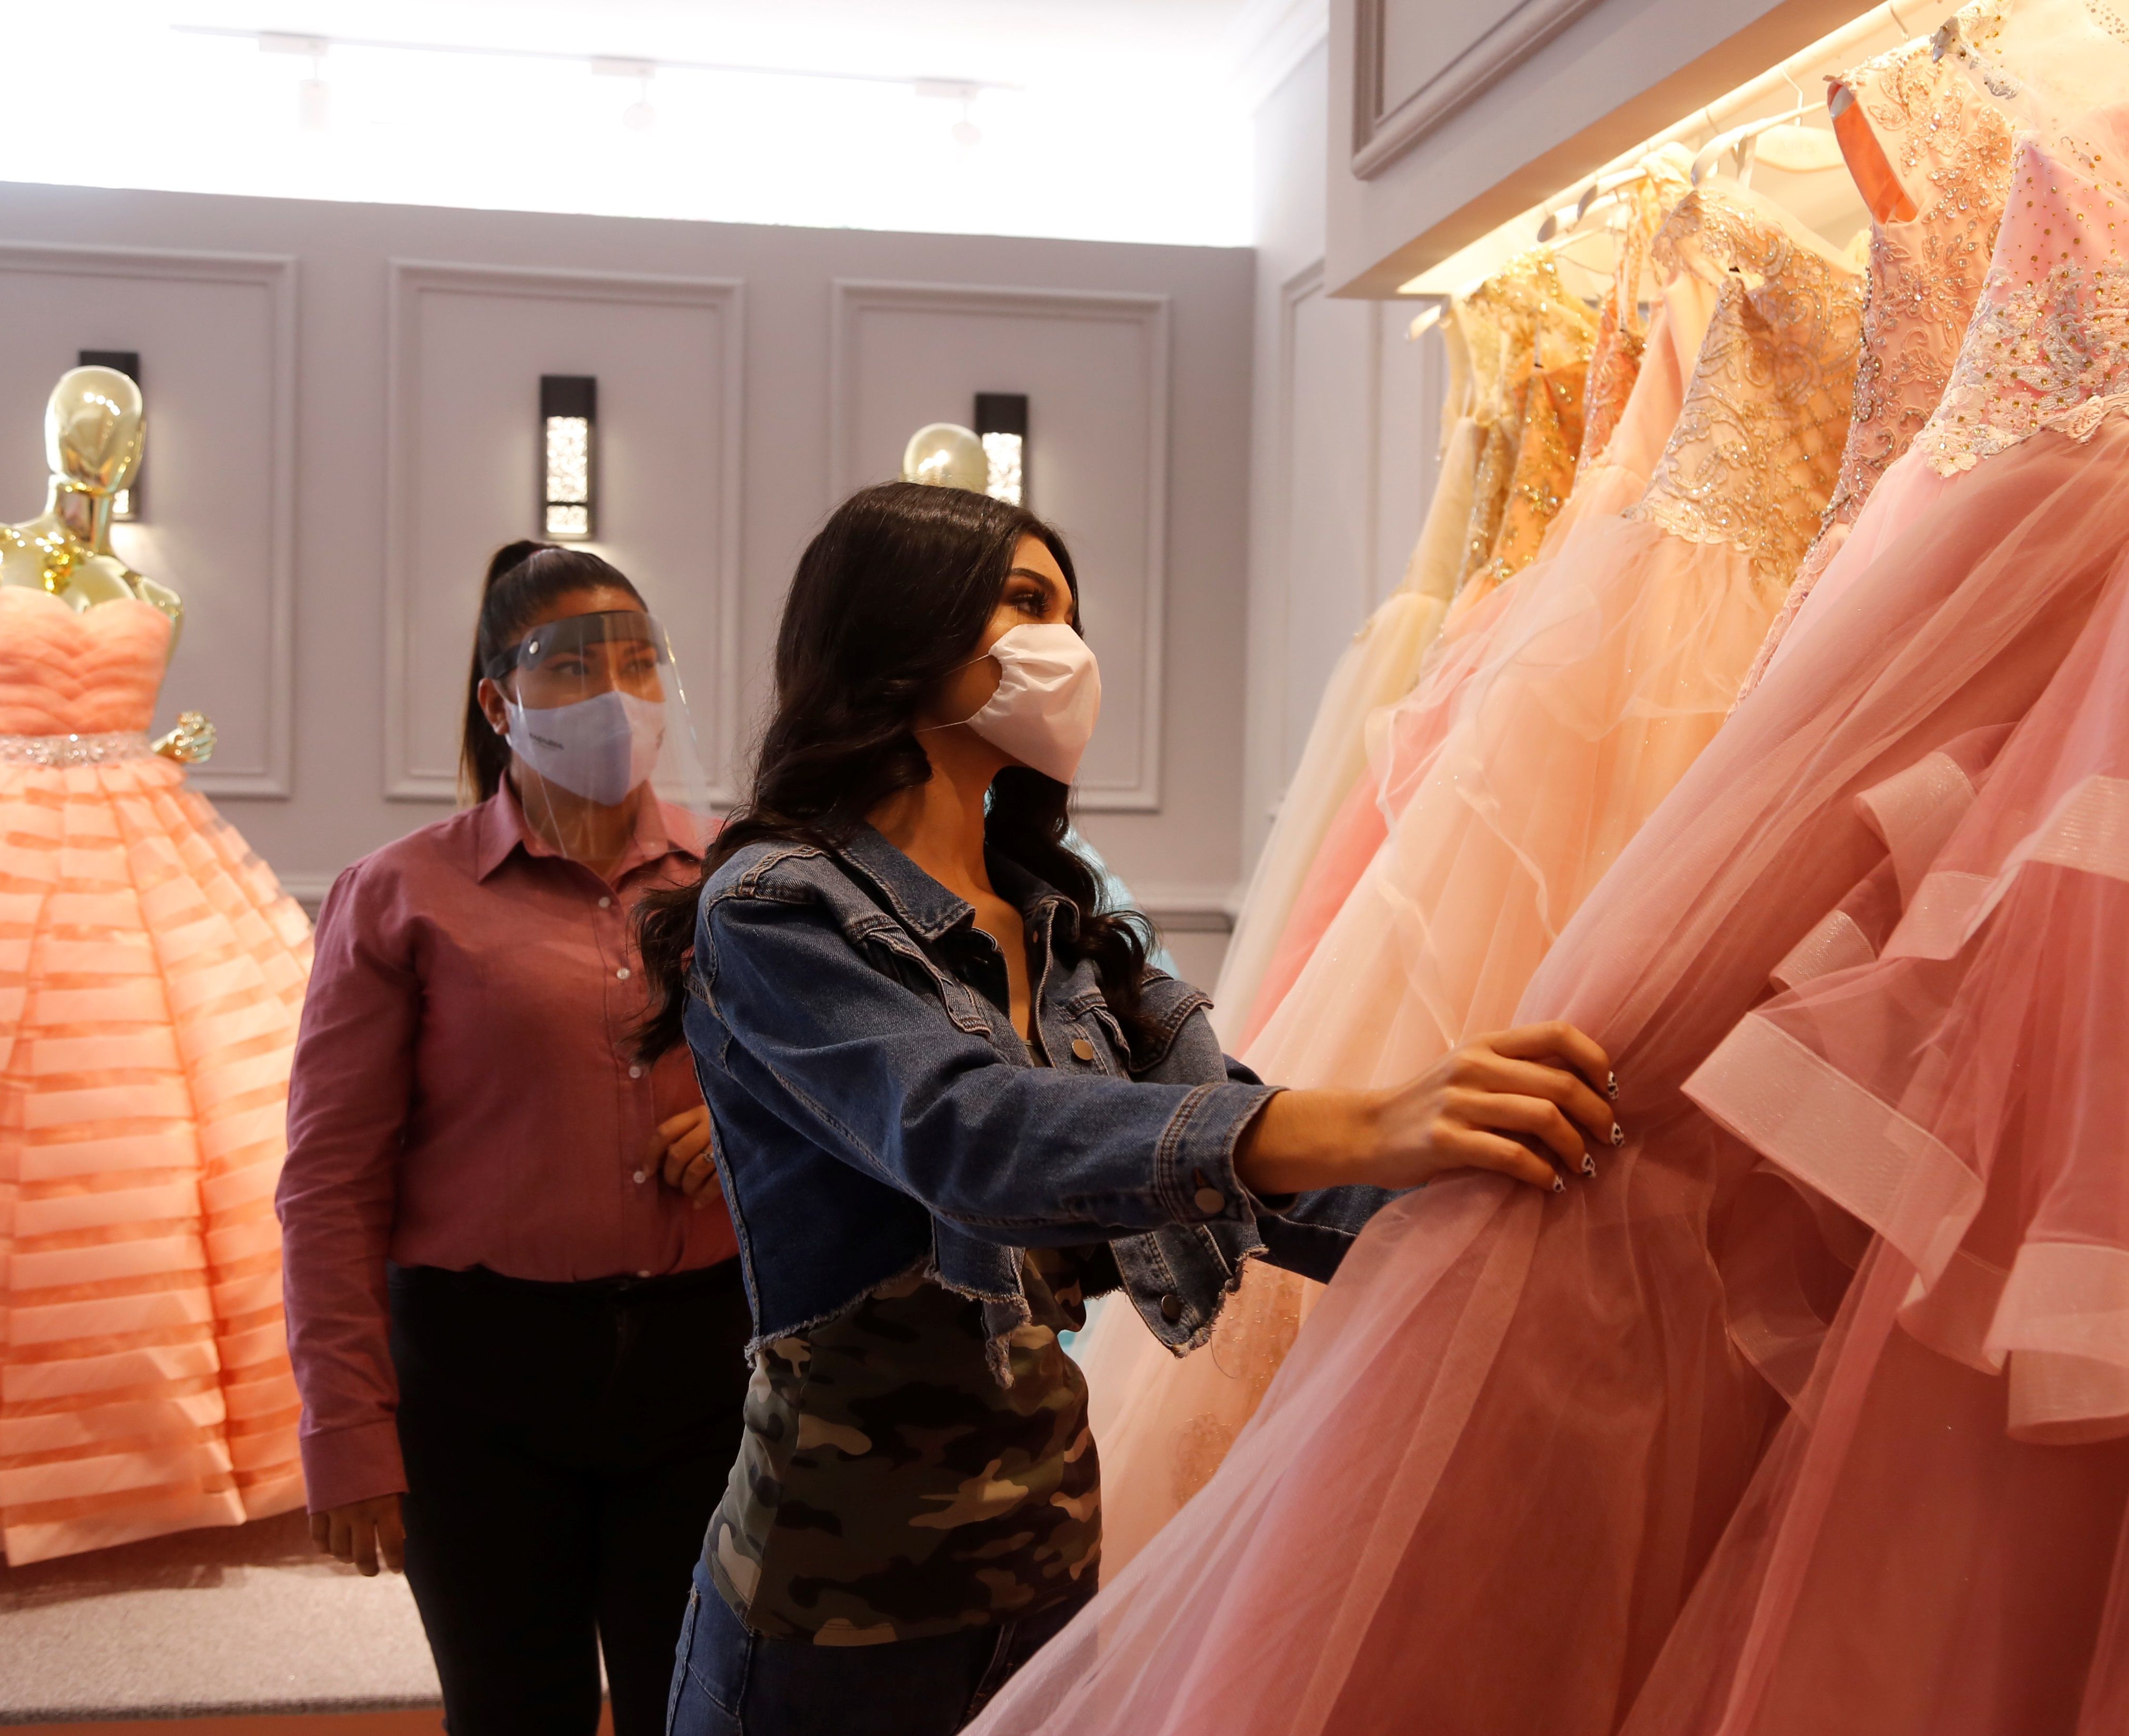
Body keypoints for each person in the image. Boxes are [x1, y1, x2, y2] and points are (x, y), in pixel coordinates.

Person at [634, 481, 1619, 1736]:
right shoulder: (776, 906)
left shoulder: (1063, 923)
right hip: (839, 1596)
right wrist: (1368, 1117)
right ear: (901, 627)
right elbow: (968, 1133)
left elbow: (1253, 1162)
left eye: (1069, 611)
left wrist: (1520, 1214)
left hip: (1047, 1554)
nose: (1071, 650)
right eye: (1029, 603)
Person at [276, 542, 742, 1736]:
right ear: (500, 699)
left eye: (639, 662)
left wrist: (746, 1129)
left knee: (694, 1705)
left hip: (707, 1365)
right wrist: (345, 1429)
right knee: (510, 1709)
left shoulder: (738, 877)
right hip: (479, 1376)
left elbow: (835, 1098)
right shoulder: (401, 894)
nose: (616, 694)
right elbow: (329, 1180)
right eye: (575, 666)